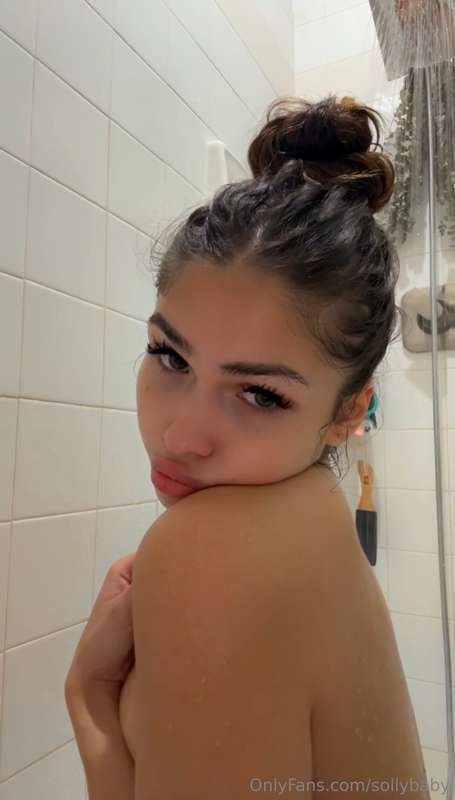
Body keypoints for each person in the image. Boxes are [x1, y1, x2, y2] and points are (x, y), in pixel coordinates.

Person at [65, 94, 431, 799]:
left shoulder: (209, 548)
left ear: (347, 413)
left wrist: (90, 701)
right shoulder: (312, 514)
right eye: (170, 356)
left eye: (260, 395)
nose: (180, 436)